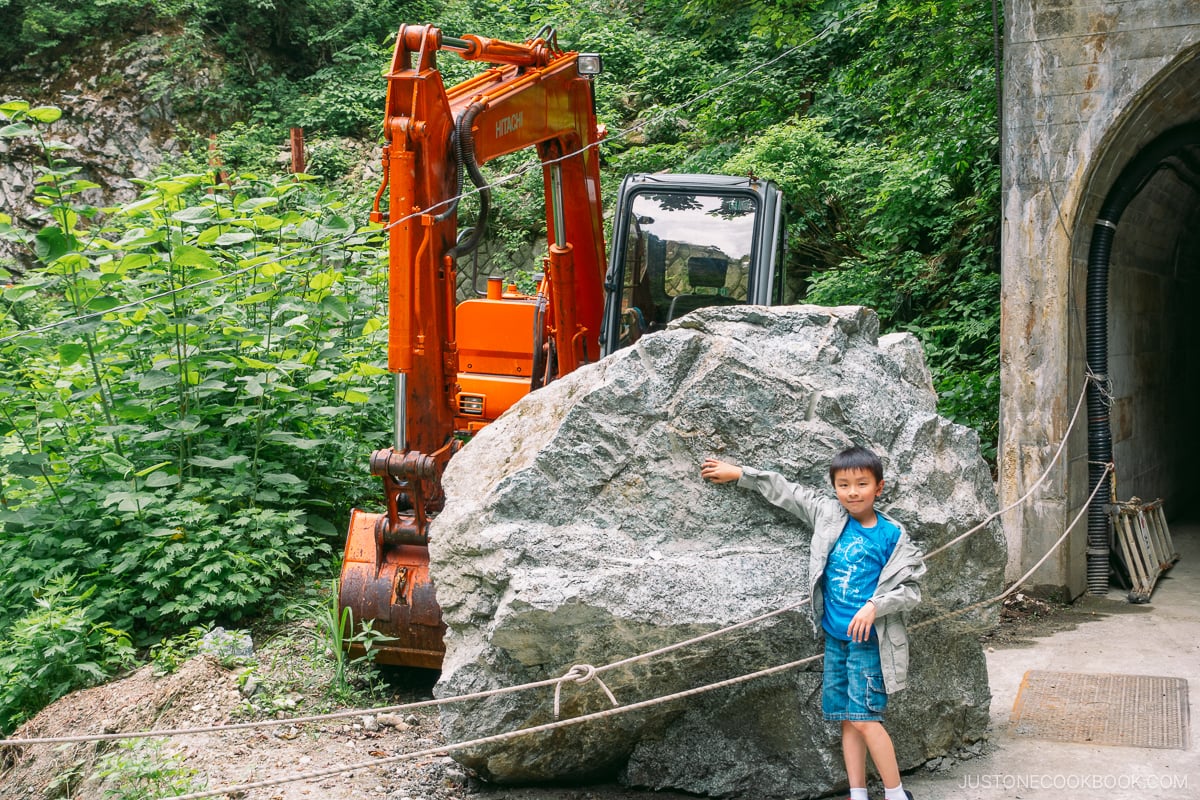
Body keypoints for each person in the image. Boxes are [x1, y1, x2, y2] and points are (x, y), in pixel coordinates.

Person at [700, 446, 925, 800]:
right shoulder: (828, 515)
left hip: (869, 642)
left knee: (867, 719)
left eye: (862, 484)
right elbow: (786, 491)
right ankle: (858, 793)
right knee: (848, 720)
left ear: (879, 488)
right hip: (836, 639)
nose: (853, 492)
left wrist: (874, 606)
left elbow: (911, 590)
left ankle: (896, 793)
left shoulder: (892, 536)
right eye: (844, 484)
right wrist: (740, 474)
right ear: (834, 487)